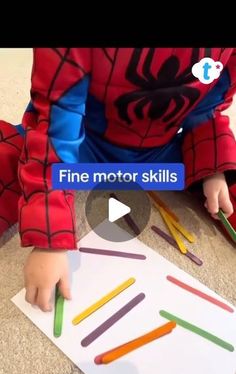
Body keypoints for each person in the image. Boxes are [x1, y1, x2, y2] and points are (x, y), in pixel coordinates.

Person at [0, 48, 235, 311]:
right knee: (12, 157)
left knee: (225, 167)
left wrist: (212, 167)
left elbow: (208, 106)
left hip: (160, 153)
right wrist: (49, 238)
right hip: (83, 145)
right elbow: (55, 125)